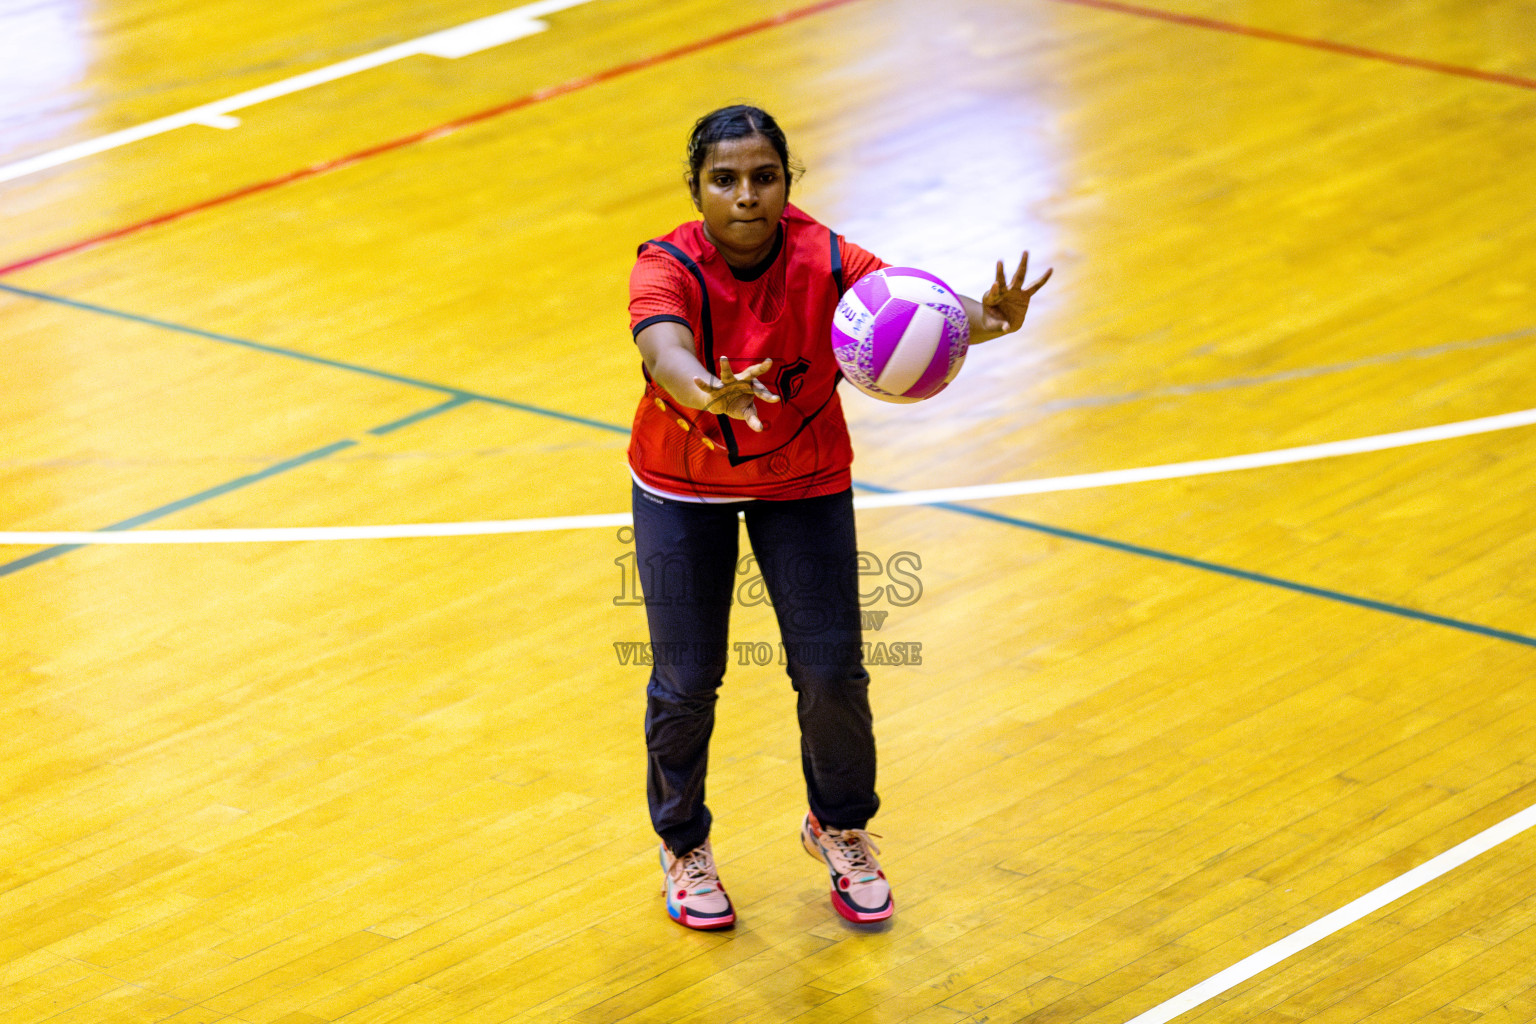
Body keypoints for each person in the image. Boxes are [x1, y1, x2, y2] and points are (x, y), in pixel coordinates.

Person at [627, 104, 1051, 930]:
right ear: (696, 189)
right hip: (684, 485)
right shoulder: (664, 264)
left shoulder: (824, 254)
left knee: (831, 672)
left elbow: (908, 307)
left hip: (806, 479)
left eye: (764, 178)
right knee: (687, 682)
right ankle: (683, 844)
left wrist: (984, 317)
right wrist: (701, 389)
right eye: (726, 180)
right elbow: (663, 348)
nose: (746, 196)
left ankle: (841, 826)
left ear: (788, 185)